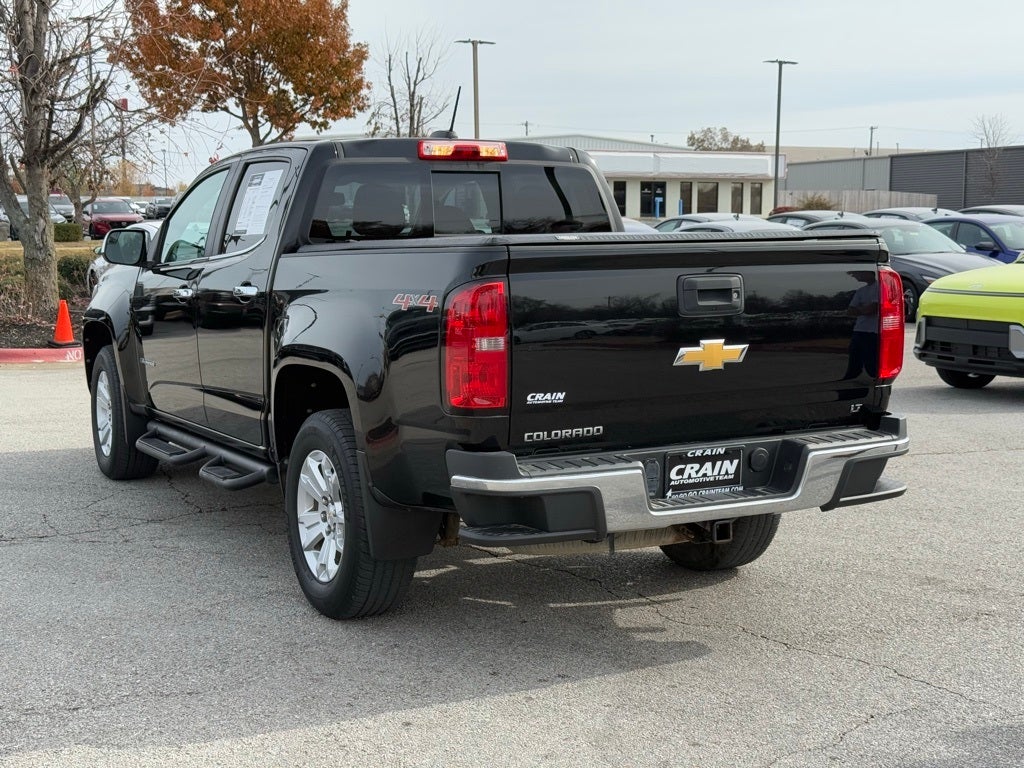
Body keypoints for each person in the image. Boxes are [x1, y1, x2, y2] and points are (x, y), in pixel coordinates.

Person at [845, 270, 879, 379]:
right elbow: (850, 311)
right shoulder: (861, 291)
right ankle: (852, 376)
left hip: (873, 331)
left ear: (867, 273)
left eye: (856, 274)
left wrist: (860, 310)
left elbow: (874, 308)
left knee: (870, 358)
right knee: (854, 355)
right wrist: (865, 309)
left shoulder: (878, 288)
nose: (854, 276)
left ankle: (873, 378)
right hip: (859, 330)